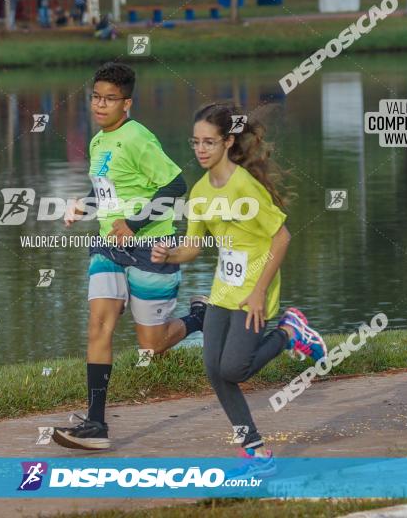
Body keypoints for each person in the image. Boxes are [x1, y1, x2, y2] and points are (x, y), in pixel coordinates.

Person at [150, 102, 328, 479]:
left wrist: (260, 292)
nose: (200, 150)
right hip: (223, 290)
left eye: (209, 143)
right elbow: (194, 246)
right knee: (215, 370)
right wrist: (168, 254)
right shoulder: (198, 192)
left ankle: (289, 332)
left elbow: (282, 239)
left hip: (255, 287)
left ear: (228, 142)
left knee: (235, 368)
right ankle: (256, 451)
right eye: (195, 142)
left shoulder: (244, 187)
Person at [52, 63, 208, 450]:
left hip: (150, 248)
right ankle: (96, 424)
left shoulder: (138, 138)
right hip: (108, 247)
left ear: (127, 104)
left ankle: (201, 317)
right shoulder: (97, 142)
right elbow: (108, 194)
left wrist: (135, 224)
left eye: (110, 99)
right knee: (98, 326)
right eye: (95, 97)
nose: (100, 105)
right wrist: (82, 206)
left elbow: (176, 185)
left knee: (151, 346)